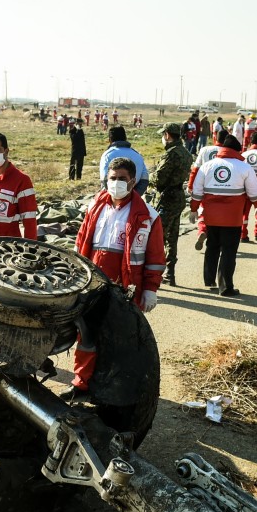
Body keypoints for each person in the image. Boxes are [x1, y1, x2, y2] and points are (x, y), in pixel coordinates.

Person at [60, 157, 165, 401]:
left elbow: (156, 257)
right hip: (92, 283)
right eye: (112, 178)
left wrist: (151, 288)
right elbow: (81, 243)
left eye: (122, 179)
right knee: (86, 335)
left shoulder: (148, 216)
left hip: (125, 288)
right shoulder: (95, 206)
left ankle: (115, 392)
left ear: (133, 181)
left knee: (121, 339)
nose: (116, 183)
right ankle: (82, 382)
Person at [189, 135, 257, 297]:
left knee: (212, 247)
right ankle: (226, 287)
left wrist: (194, 209)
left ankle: (209, 281)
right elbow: (254, 193)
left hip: (211, 217)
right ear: (237, 150)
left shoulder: (207, 166)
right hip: (233, 218)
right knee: (229, 251)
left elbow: (197, 192)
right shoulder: (244, 167)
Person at [150, 122, 192, 285]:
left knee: (156, 237)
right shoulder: (186, 153)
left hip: (166, 199)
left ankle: (154, 273)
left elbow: (159, 179)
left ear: (167, 135)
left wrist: (152, 177)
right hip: (178, 197)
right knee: (172, 237)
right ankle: (170, 273)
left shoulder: (170, 154)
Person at [0, 132, 39, 239]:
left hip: (7, 247)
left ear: (6, 151)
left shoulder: (21, 180)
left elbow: (29, 221)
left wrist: (30, 250)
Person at [99, 126, 149, 194]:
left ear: (109, 140)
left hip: (112, 198)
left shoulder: (107, 155)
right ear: (125, 138)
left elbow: (104, 179)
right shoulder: (137, 155)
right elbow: (144, 179)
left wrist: (116, 196)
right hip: (133, 196)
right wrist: (134, 196)